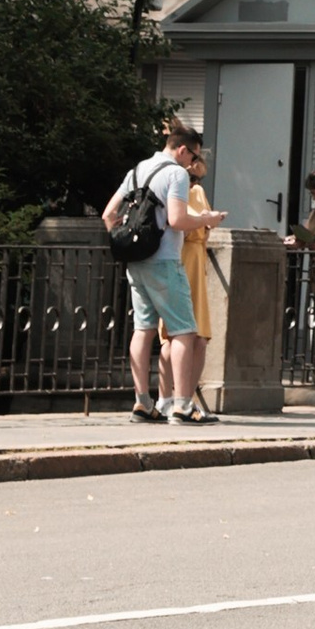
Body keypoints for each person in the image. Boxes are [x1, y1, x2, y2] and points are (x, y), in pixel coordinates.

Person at [104, 113, 215, 426]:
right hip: (165, 260)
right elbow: (178, 220)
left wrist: (128, 242)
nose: (193, 164)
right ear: (183, 150)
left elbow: (108, 214)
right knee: (184, 332)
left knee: (143, 329)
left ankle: (142, 403)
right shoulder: (177, 175)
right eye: (193, 156)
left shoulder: (137, 169)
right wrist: (206, 220)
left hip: (135, 262)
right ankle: (182, 405)